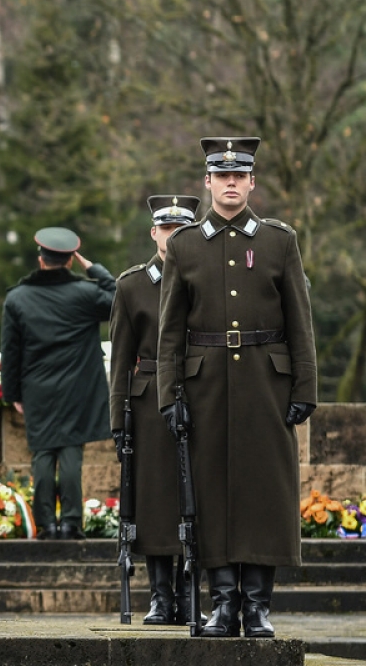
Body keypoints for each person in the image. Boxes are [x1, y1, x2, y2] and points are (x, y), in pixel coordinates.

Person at [157, 137, 316, 639]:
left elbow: (300, 319)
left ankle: (258, 606)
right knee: (211, 492)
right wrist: (169, 396)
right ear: (207, 182)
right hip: (204, 388)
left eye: (239, 175)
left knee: (264, 493)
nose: (230, 183)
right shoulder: (184, 244)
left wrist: (304, 387)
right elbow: (170, 333)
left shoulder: (278, 241)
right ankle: (223, 605)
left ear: (251, 182)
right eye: (221, 176)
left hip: (267, 384)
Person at [109, 195, 201, 624]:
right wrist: (117, 420)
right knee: (153, 504)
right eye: (166, 229)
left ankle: (189, 591)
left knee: (194, 498)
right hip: (147, 406)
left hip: (196, 396)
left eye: (181, 230)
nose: (172, 237)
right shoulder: (131, 285)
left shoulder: (204, 276)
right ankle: (160, 596)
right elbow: (120, 360)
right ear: (154, 233)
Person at [1, 226, 115, 540]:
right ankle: (71, 524)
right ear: (68, 261)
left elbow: (10, 352)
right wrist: (92, 267)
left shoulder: (17, 298)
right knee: (70, 455)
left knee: (42, 454)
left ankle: (47, 525)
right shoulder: (87, 294)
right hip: (78, 389)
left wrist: (13, 392)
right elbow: (119, 297)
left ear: (41, 259)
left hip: (37, 388)